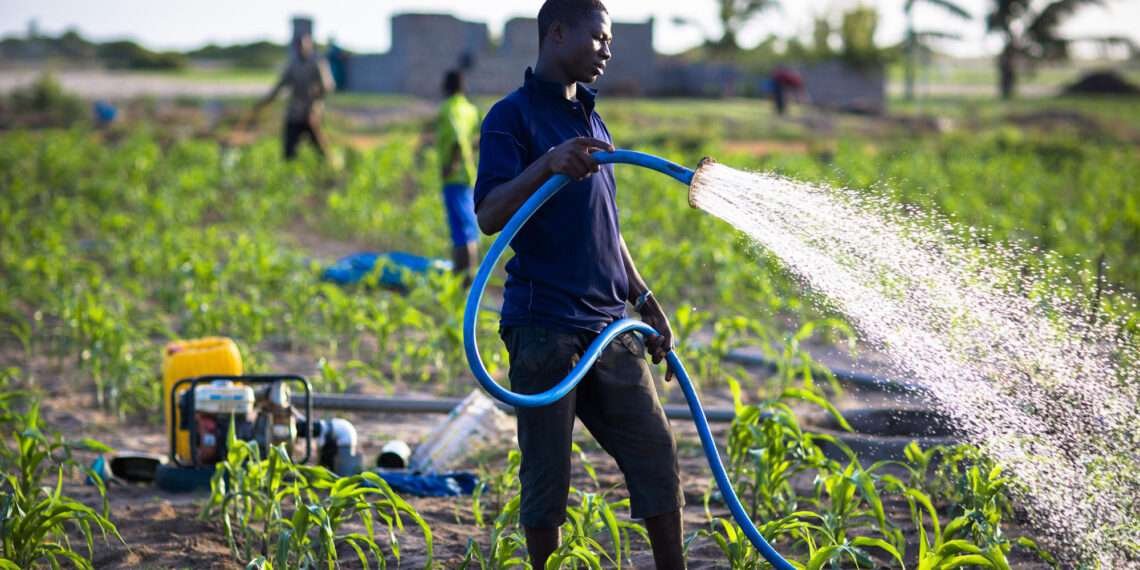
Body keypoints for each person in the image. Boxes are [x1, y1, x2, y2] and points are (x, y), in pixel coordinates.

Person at [473, 1, 685, 568]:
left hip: (610, 326)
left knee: (657, 458)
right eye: (598, 38)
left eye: (610, 39)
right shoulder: (509, 117)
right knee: (547, 479)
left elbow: (607, 228)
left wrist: (644, 299)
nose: (607, 49)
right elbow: (489, 213)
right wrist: (547, 164)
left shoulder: (593, 119)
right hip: (546, 330)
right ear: (558, 33)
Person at [254, 33, 333, 160]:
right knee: (289, 150)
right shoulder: (293, 64)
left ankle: (329, 170)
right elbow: (280, 85)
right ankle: (290, 171)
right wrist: (265, 102)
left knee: (320, 149)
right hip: (295, 113)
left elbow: (327, 86)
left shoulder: (317, 63)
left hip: (311, 113)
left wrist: (315, 105)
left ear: (309, 45)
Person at [436, 70, 482, 282]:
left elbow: (455, 139)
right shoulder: (470, 109)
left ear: (446, 86)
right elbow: (479, 138)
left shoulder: (448, 109)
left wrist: (451, 165)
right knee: (468, 226)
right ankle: (466, 276)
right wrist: (469, 156)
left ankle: (464, 279)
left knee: (461, 231)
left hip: (454, 177)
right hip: (469, 174)